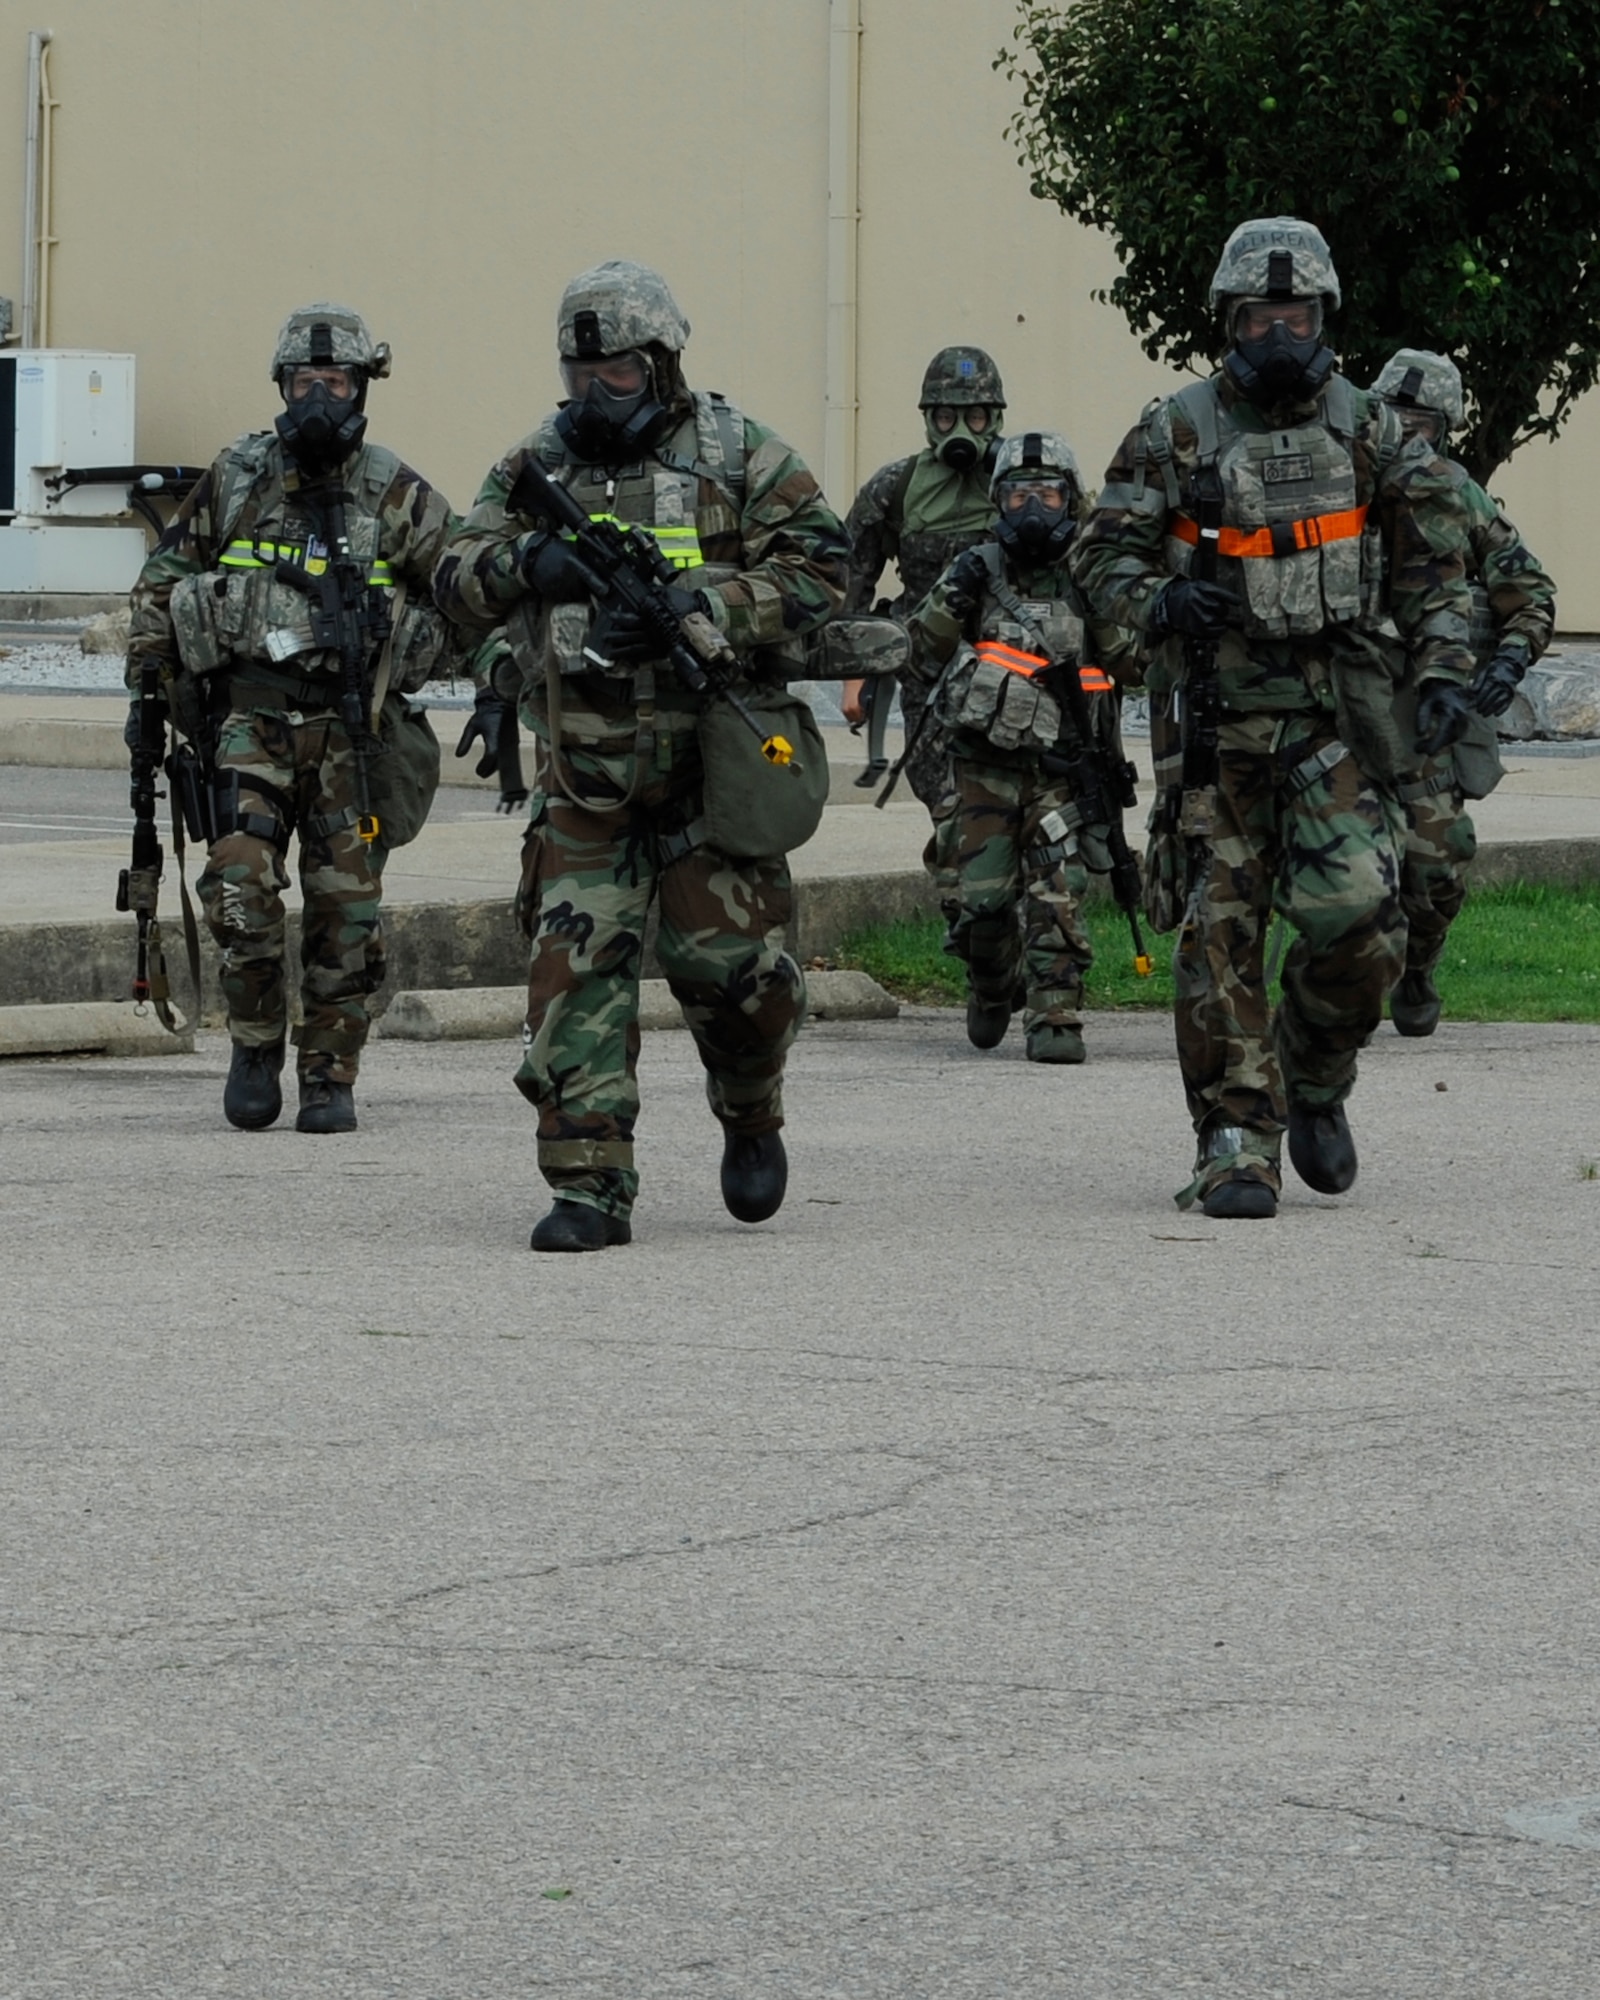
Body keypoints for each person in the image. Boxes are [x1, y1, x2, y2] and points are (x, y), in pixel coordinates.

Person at [432, 260, 848, 1253]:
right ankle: (588, 1182)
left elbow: (823, 567)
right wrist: (526, 563)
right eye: (579, 374)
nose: (592, 394)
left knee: (743, 985)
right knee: (573, 983)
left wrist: (708, 604)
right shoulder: (537, 462)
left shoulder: (739, 452)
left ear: (661, 363)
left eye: (614, 373)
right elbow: (449, 573)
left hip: (711, 776)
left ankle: (750, 1104)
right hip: (587, 777)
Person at [1071, 217, 1476, 1219]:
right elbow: (1097, 557)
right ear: (1230, 321)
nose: (1280, 332)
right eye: (1260, 315)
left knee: (1362, 921)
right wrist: (1154, 605)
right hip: (1214, 726)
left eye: (1296, 313)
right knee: (1220, 938)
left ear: (1323, 314)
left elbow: (1434, 561)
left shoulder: (1368, 427)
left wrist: (1440, 671)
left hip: (1328, 720)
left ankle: (1315, 1070)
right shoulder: (1175, 428)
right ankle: (1234, 1141)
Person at [126, 303, 457, 1134]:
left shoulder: (394, 490)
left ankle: (329, 1073)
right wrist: (147, 692)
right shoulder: (237, 478)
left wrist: (474, 671)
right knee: (240, 885)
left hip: (354, 731)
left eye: (334, 381)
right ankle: (252, 1044)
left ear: (361, 389)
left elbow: (467, 586)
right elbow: (163, 584)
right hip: (250, 720)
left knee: (348, 913)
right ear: (281, 385)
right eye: (303, 381)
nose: (317, 396)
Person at [909, 429, 1136, 1063]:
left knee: (1057, 892)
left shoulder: (1087, 574)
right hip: (985, 766)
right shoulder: (976, 571)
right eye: (1017, 496)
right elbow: (922, 654)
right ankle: (990, 983)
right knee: (981, 904)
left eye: (1047, 494)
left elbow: (1130, 660)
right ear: (997, 502)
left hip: (1063, 769)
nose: (1033, 509)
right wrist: (953, 597)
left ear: (1071, 501)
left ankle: (1056, 1016)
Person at [1368, 348, 1557, 1036]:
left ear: (1442, 430)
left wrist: (1506, 663)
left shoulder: (1458, 496)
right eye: (1393, 419)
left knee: (1436, 864)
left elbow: (1529, 592)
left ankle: (1418, 963)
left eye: (1420, 423)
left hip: (1427, 711)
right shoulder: (1343, 486)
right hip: (1337, 702)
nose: (1405, 436)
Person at [840, 346, 1006, 819]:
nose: (959, 430)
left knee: (1007, 796)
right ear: (928, 417)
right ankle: (959, 888)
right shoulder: (897, 484)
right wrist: (852, 675)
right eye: (946, 416)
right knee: (939, 791)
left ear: (994, 418)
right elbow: (853, 576)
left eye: (974, 417)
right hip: (927, 670)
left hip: (1009, 665)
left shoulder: (1021, 482)